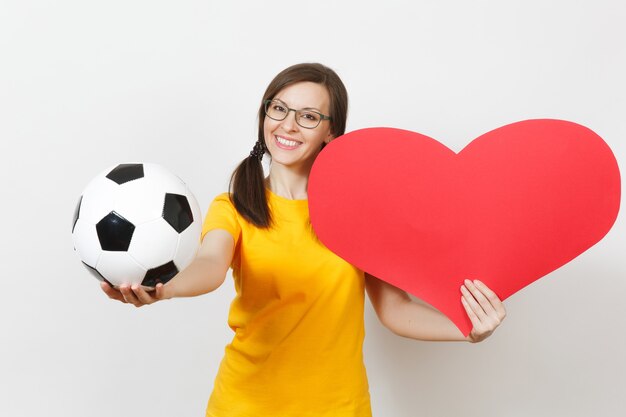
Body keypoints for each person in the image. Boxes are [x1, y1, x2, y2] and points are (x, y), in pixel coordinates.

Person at [101, 63, 507, 417]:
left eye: (309, 116)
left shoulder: (361, 216)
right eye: (279, 108)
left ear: (332, 132)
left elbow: (395, 310)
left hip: (339, 409)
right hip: (245, 406)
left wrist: (466, 329)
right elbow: (210, 265)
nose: (288, 125)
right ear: (265, 114)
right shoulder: (235, 206)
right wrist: (164, 286)